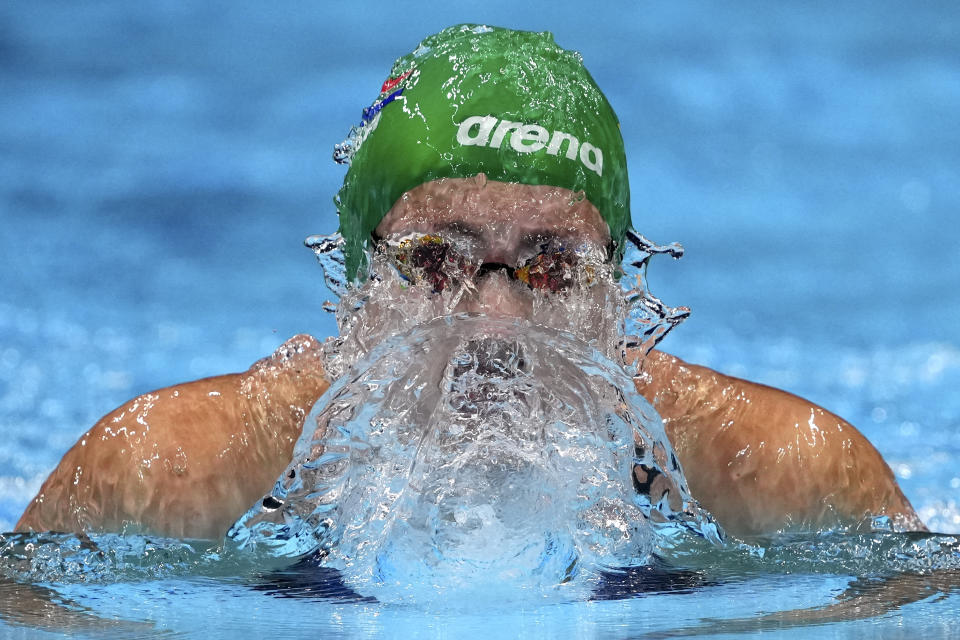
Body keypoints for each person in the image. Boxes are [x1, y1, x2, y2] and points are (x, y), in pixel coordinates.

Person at [15, 24, 924, 542]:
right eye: (436, 262)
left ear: (618, 290)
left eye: (554, 266)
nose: (496, 320)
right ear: (357, 278)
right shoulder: (173, 472)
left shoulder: (789, 474)